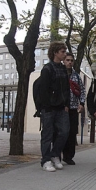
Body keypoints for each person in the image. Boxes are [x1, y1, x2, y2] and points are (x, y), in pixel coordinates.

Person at [37, 41, 70, 172]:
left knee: (64, 132)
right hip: (49, 108)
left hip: (61, 107)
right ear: (55, 52)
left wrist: (66, 103)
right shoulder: (47, 69)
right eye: (62, 51)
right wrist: (46, 106)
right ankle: (45, 160)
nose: (64, 54)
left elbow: (66, 88)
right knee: (47, 134)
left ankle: (55, 154)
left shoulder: (62, 68)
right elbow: (43, 90)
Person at [62, 53, 86, 165]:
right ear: (63, 61)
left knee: (72, 133)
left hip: (73, 109)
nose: (69, 62)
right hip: (61, 109)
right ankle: (57, 154)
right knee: (61, 132)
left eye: (71, 60)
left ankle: (69, 156)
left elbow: (82, 90)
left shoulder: (76, 76)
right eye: (67, 60)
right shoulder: (60, 74)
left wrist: (81, 103)